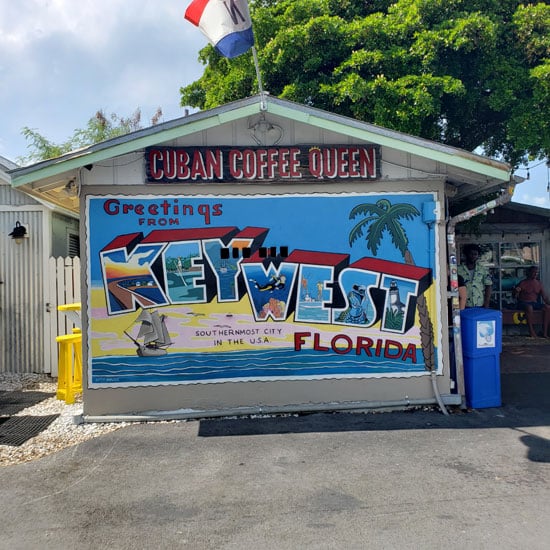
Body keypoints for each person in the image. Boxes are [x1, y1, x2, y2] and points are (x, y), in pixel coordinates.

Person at [514, 266, 550, 338]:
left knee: (548, 308)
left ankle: (545, 332)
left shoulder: (539, 284)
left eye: (536, 272)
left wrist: (548, 302)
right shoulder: (523, 283)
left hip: (534, 303)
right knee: (529, 307)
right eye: (533, 272)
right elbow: (515, 296)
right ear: (529, 273)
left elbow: (545, 297)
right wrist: (516, 291)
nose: (535, 274)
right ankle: (531, 330)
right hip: (523, 303)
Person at [457, 244, 492, 308]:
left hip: (479, 304)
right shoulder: (458, 269)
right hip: (463, 304)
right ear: (466, 254)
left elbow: (488, 286)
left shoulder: (483, 269)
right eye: (471, 254)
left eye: (475, 254)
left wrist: (486, 303)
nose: (473, 256)